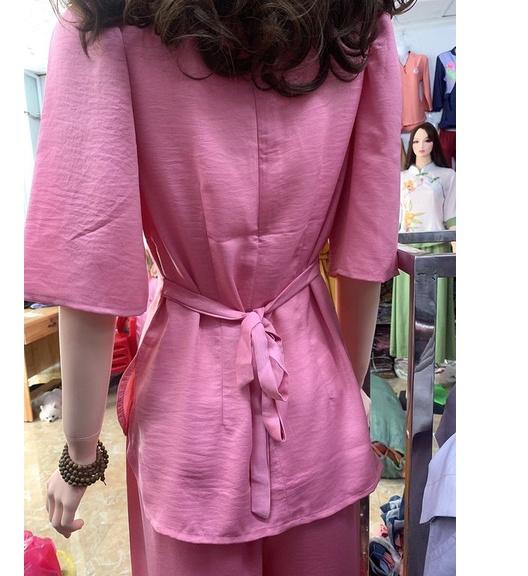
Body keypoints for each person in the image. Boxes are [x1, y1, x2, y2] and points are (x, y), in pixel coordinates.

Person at [24, 1, 415, 574]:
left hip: (189, 409)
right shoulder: (355, 22)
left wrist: (80, 451)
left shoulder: (108, 19)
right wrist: (345, 386)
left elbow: (91, 256)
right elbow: (363, 249)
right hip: (316, 394)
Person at [390, 121, 456, 366]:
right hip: (406, 248)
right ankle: (407, 358)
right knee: (407, 306)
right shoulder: (399, 178)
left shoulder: (447, 176)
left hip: (437, 246)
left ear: (434, 143)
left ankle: (435, 359)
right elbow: (393, 217)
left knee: (436, 308)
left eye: (427, 140)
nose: (421, 145)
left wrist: (456, 242)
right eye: (416, 140)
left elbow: (452, 215)